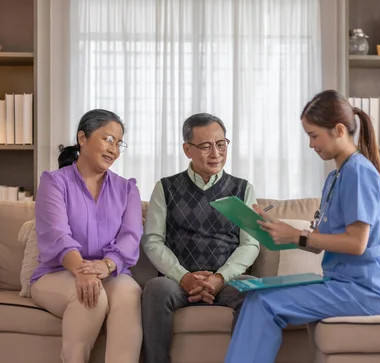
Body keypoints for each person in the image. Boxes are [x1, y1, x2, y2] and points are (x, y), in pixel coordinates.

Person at [224, 90, 380, 363]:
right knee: (259, 295)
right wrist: (277, 227)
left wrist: (299, 236)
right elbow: (320, 242)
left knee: (264, 303)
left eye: (313, 135)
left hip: (365, 289)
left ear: (339, 130)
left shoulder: (358, 172)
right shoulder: (335, 177)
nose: (310, 144)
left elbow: (356, 243)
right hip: (341, 282)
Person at [141, 113, 260, 363]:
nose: (215, 153)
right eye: (205, 146)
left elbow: (250, 244)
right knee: (155, 289)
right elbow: (153, 240)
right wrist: (183, 277)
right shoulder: (165, 188)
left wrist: (220, 277)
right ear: (187, 149)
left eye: (221, 144)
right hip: (178, 281)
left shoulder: (242, 189)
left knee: (255, 292)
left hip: (226, 280)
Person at [30, 109, 143, 363]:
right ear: (83, 138)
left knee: (130, 293)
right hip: (58, 273)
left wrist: (106, 265)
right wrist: (82, 271)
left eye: (119, 143)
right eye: (108, 139)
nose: (114, 150)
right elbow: (57, 235)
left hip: (110, 271)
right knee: (90, 297)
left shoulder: (127, 189)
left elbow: (131, 236)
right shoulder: (54, 182)